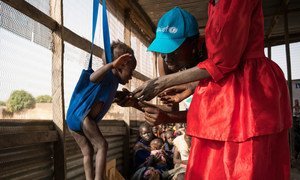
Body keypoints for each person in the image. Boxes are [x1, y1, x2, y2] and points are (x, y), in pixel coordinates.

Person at [133, 2, 292, 179]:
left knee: (243, 165)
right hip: (227, 102)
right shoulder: (213, 9)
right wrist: (139, 102)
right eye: (163, 53)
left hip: (248, 101)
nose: (168, 58)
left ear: (194, 43)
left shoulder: (225, 72)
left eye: (173, 51)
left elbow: (224, 60)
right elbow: (177, 109)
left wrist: (164, 84)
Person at [66, 41, 136, 180]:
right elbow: (92, 78)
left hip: (73, 119)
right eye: (131, 70)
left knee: (88, 151)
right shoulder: (107, 74)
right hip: (84, 117)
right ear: (120, 65)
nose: (131, 75)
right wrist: (111, 65)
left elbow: (103, 95)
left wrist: (118, 96)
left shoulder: (111, 83)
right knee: (102, 145)